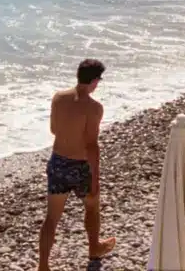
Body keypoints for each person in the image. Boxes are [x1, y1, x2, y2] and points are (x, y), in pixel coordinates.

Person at [38, 59, 116, 271]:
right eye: (99, 80)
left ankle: (43, 265)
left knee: (51, 218)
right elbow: (91, 145)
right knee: (92, 206)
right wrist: (95, 177)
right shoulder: (94, 108)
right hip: (81, 165)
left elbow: (54, 130)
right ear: (94, 80)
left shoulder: (58, 98)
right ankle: (94, 248)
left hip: (58, 162)